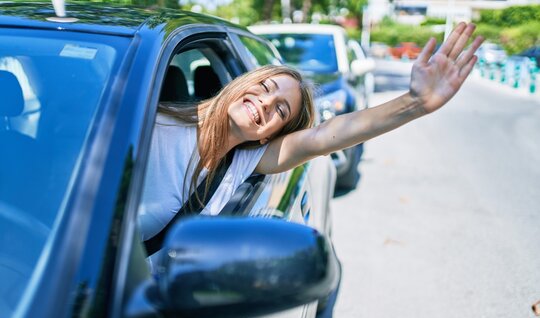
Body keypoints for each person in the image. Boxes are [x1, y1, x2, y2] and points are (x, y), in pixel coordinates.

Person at [138, 23, 484, 245]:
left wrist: (414, 103)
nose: (265, 103)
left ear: (270, 135)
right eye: (265, 87)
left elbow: (326, 136)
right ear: (245, 83)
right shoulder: (148, 124)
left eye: (280, 110)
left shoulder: (244, 163)